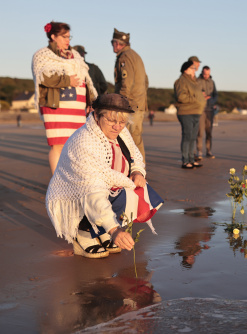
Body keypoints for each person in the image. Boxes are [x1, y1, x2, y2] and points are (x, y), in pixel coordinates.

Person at [45, 94, 163, 258]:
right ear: (96, 115)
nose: (117, 127)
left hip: (106, 187)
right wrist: (114, 230)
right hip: (76, 196)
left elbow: (135, 155)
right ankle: (83, 234)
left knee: (136, 191)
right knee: (96, 197)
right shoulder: (84, 142)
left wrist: (137, 172)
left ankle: (100, 231)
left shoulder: (121, 132)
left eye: (122, 122)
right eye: (111, 120)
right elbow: (93, 193)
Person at [32, 21, 97, 175]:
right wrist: (68, 80)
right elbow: (43, 78)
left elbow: (86, 81)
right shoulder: (42, 55)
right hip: (56, 106)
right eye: (64, 36)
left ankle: (73, 177)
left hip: (77, 107)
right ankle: (57, 180)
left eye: (69, 36)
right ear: (53, 36)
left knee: (76, 143)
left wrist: (90, 101)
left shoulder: (75, 55)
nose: (68, 40)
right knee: (58, 145)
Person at [112, 28, 149, 161]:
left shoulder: (125, 57)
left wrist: (119, 104)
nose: (113, 46)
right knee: (136, 139)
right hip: (138, 103)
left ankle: (137, 172)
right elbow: (146, 81)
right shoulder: (135, 56)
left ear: (118, 43)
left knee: (130, 140)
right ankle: (139, 171)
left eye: (113, 42)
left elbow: (126, 84)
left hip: (130, 105)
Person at [174, 61, 206, 169]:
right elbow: (181, 97)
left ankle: (192, 159)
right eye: (192, 68)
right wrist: (196, 99)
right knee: (187, 136)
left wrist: (201, 99)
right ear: (186, 69)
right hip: (186, 112)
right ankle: (185, 160)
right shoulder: (180, 81)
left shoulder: (194, 82)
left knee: (193, 137)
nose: (194, 70)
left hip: (196, 112)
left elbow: (197, 94)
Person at [195, 65, 218, 160]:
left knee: (209, 132)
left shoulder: (212, 82)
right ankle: (199, 151)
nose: (206, 76)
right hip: (200, 110)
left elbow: (216, 95)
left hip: (210, 110)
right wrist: (202, 96)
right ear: (202, 72)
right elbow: (194, 93)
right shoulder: (197, 81)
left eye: (208, 74)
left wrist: (212, 100)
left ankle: (208, 151)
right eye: (205, 74)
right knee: (200, 132)